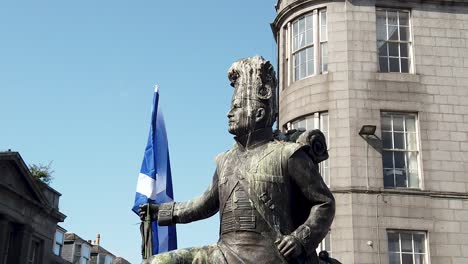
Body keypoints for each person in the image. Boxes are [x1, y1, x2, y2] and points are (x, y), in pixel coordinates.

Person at [139, 56, 335, 264]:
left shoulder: (288, 154)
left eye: (237, 107)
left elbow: (324, 202)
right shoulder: (225, 160)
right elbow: (205, 204)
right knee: (156, 262)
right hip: (223, 253)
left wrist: (300, 239)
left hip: (270, 255)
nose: (229, 114)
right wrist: (163, 211)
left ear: (259, 113)